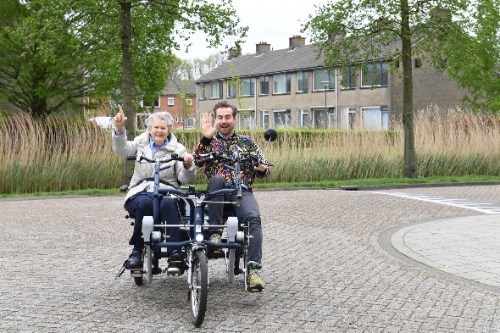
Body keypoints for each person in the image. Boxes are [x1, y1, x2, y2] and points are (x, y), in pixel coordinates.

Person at [194, 101, 270, 291]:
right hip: (217, 194)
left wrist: (261, 168)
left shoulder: (248, 142)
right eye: (220, 117)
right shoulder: (209, 141)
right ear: (216, 120)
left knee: (254, 218)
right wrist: (205, 138)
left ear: (234, 119)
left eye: (227, 117)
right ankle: (215, 235)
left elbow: (264, 168)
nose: (224, 121)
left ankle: (253, 270)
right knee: (217, 179)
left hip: (241, 191)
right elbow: (194, 162)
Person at [113, 105, 195, 269]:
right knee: (144, 204)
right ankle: (137, 251)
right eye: (156, 127)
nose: (159, 131)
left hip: (167, 190)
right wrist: (119, 128)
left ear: (169, 130)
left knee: (168, 204)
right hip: (141, 190)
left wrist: (188, 165)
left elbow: (185, 178)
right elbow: (121, 150)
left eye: (163, 128)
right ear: (149, 129)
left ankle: (175, 252)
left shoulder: (177, 149)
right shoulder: (139, 144)